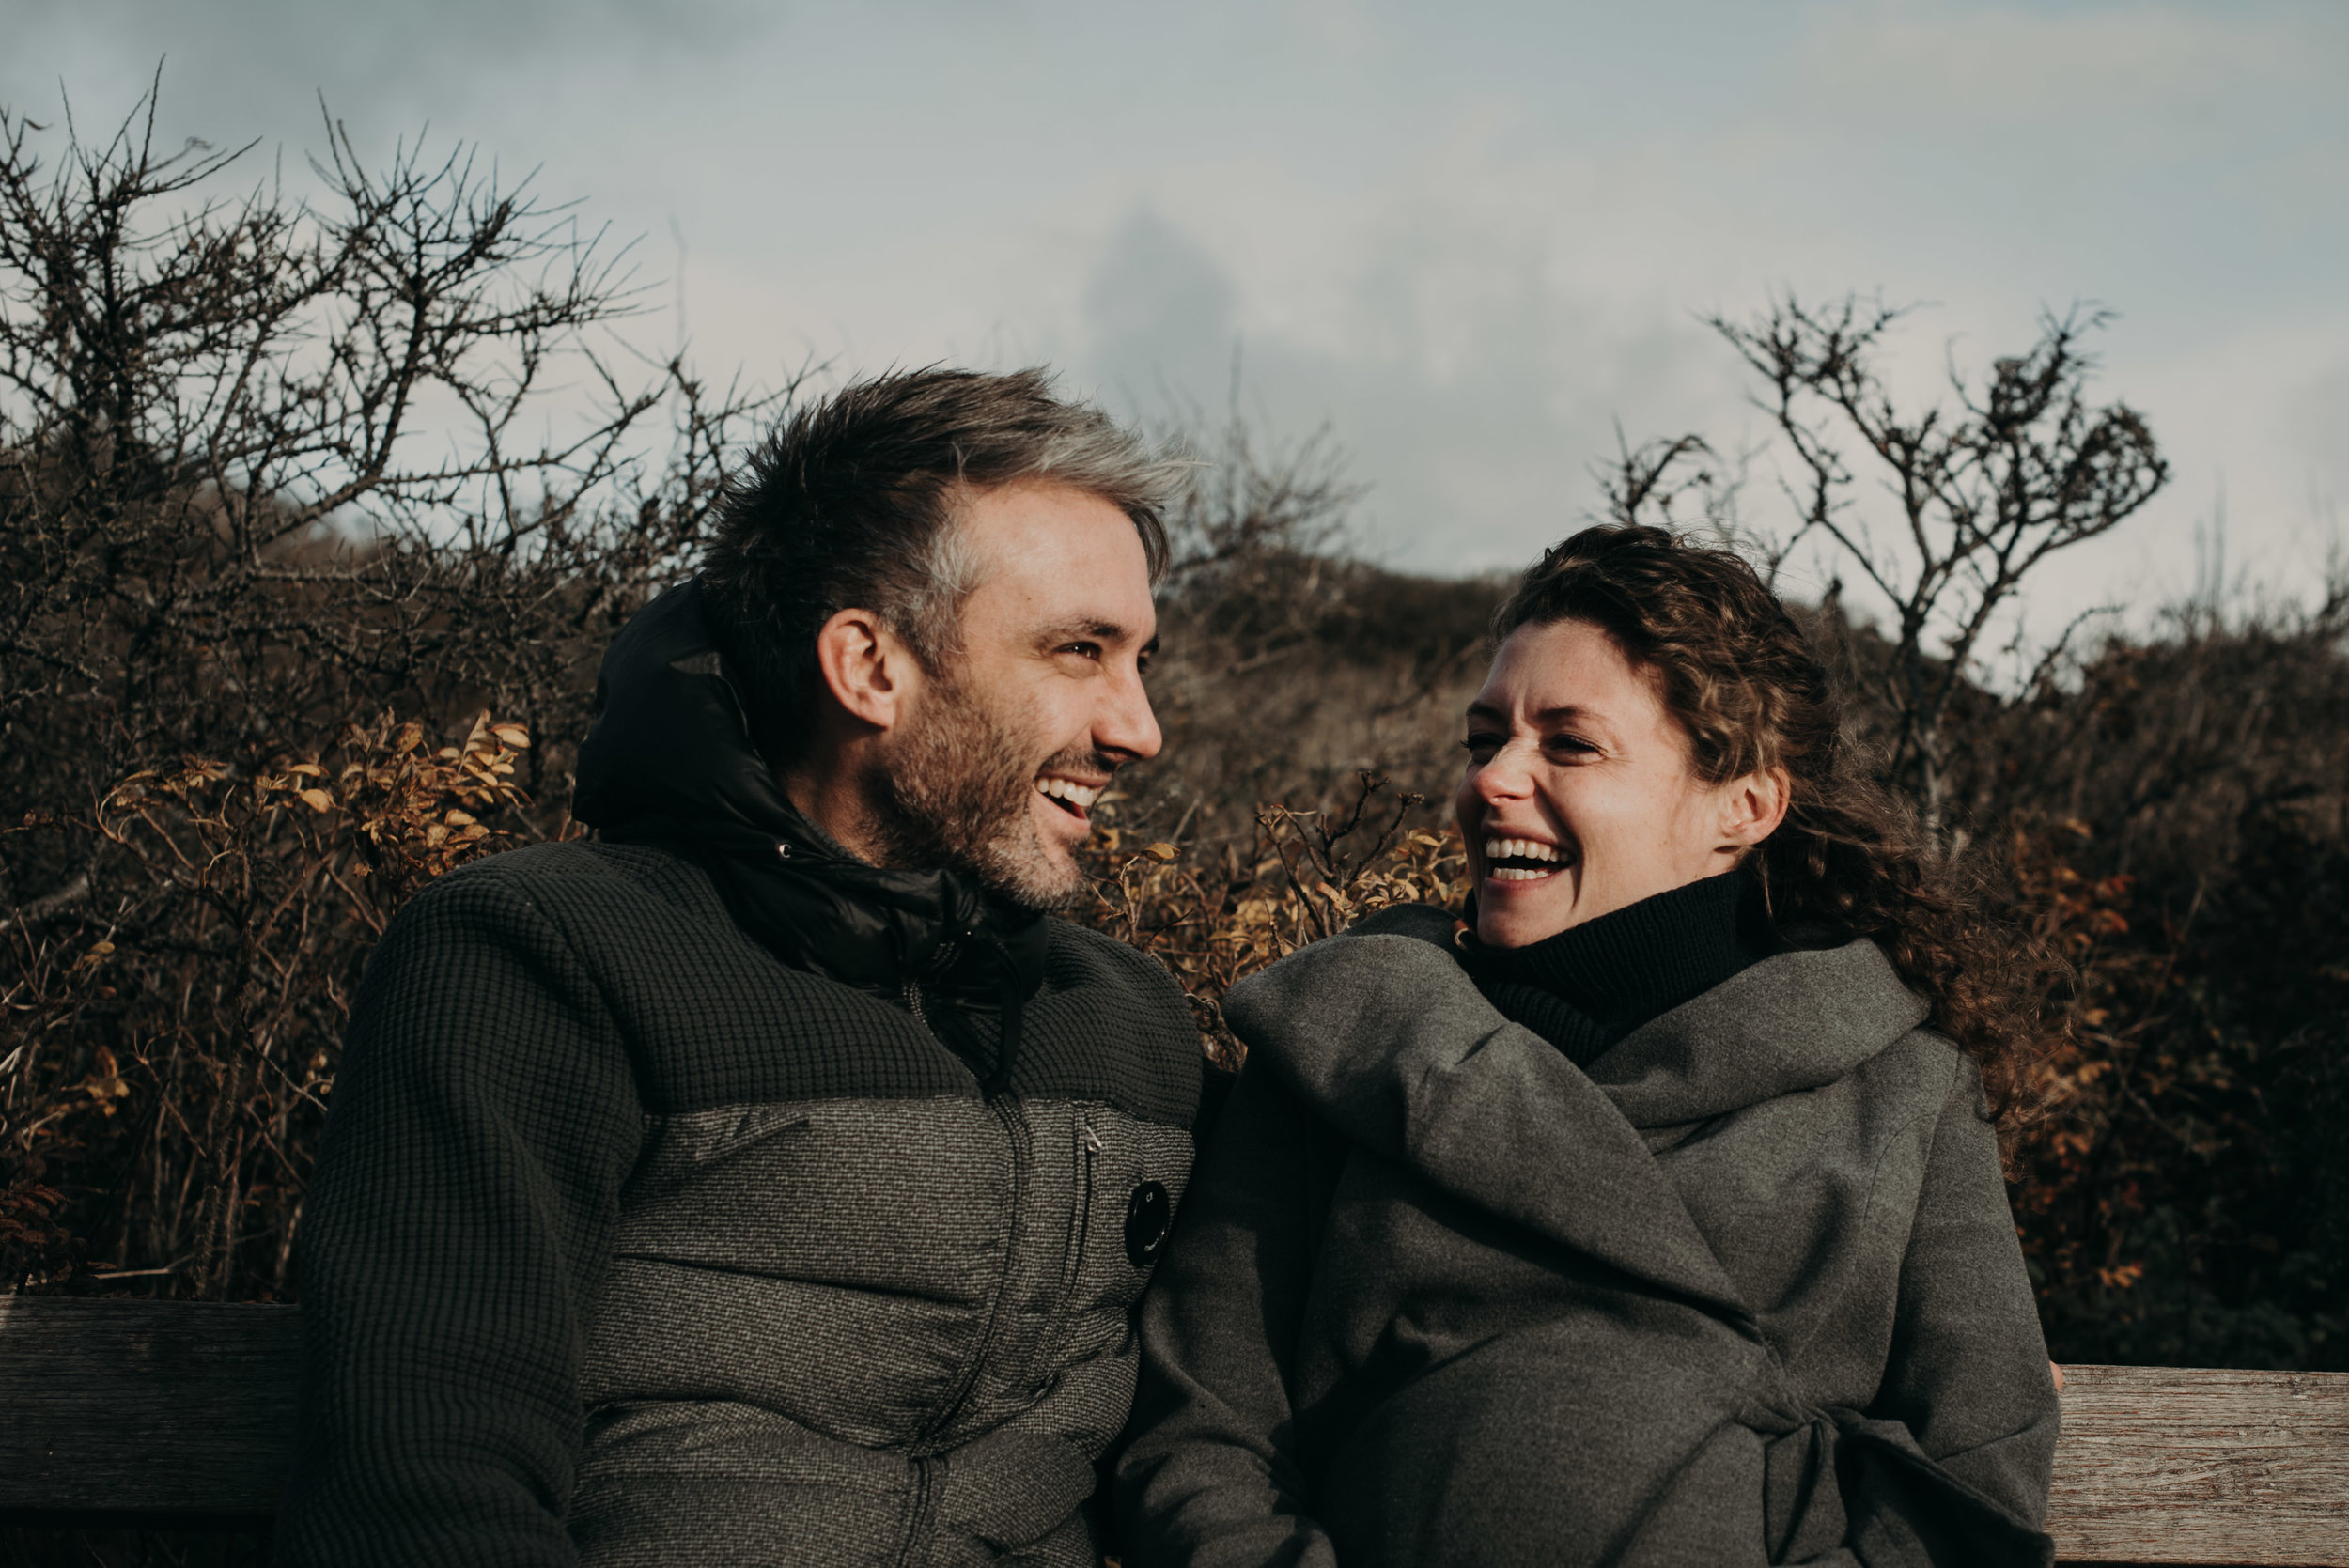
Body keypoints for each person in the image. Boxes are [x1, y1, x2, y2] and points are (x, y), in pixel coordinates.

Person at [278, 368, 1214, 1567]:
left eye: (1139, 658)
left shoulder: (1125, 1022)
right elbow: (422, 1494)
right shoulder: (545, 954)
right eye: (1078, 649)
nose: (1137, 726)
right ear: (869, 666)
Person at [1116, 525, 2064, 1567]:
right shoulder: (1339, 1049)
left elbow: (1979, 1470)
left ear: (1743, 804)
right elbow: (1200, 1445)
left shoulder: (1900, 1083)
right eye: (1485, 740)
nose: (1492, 781)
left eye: (1567, 744)